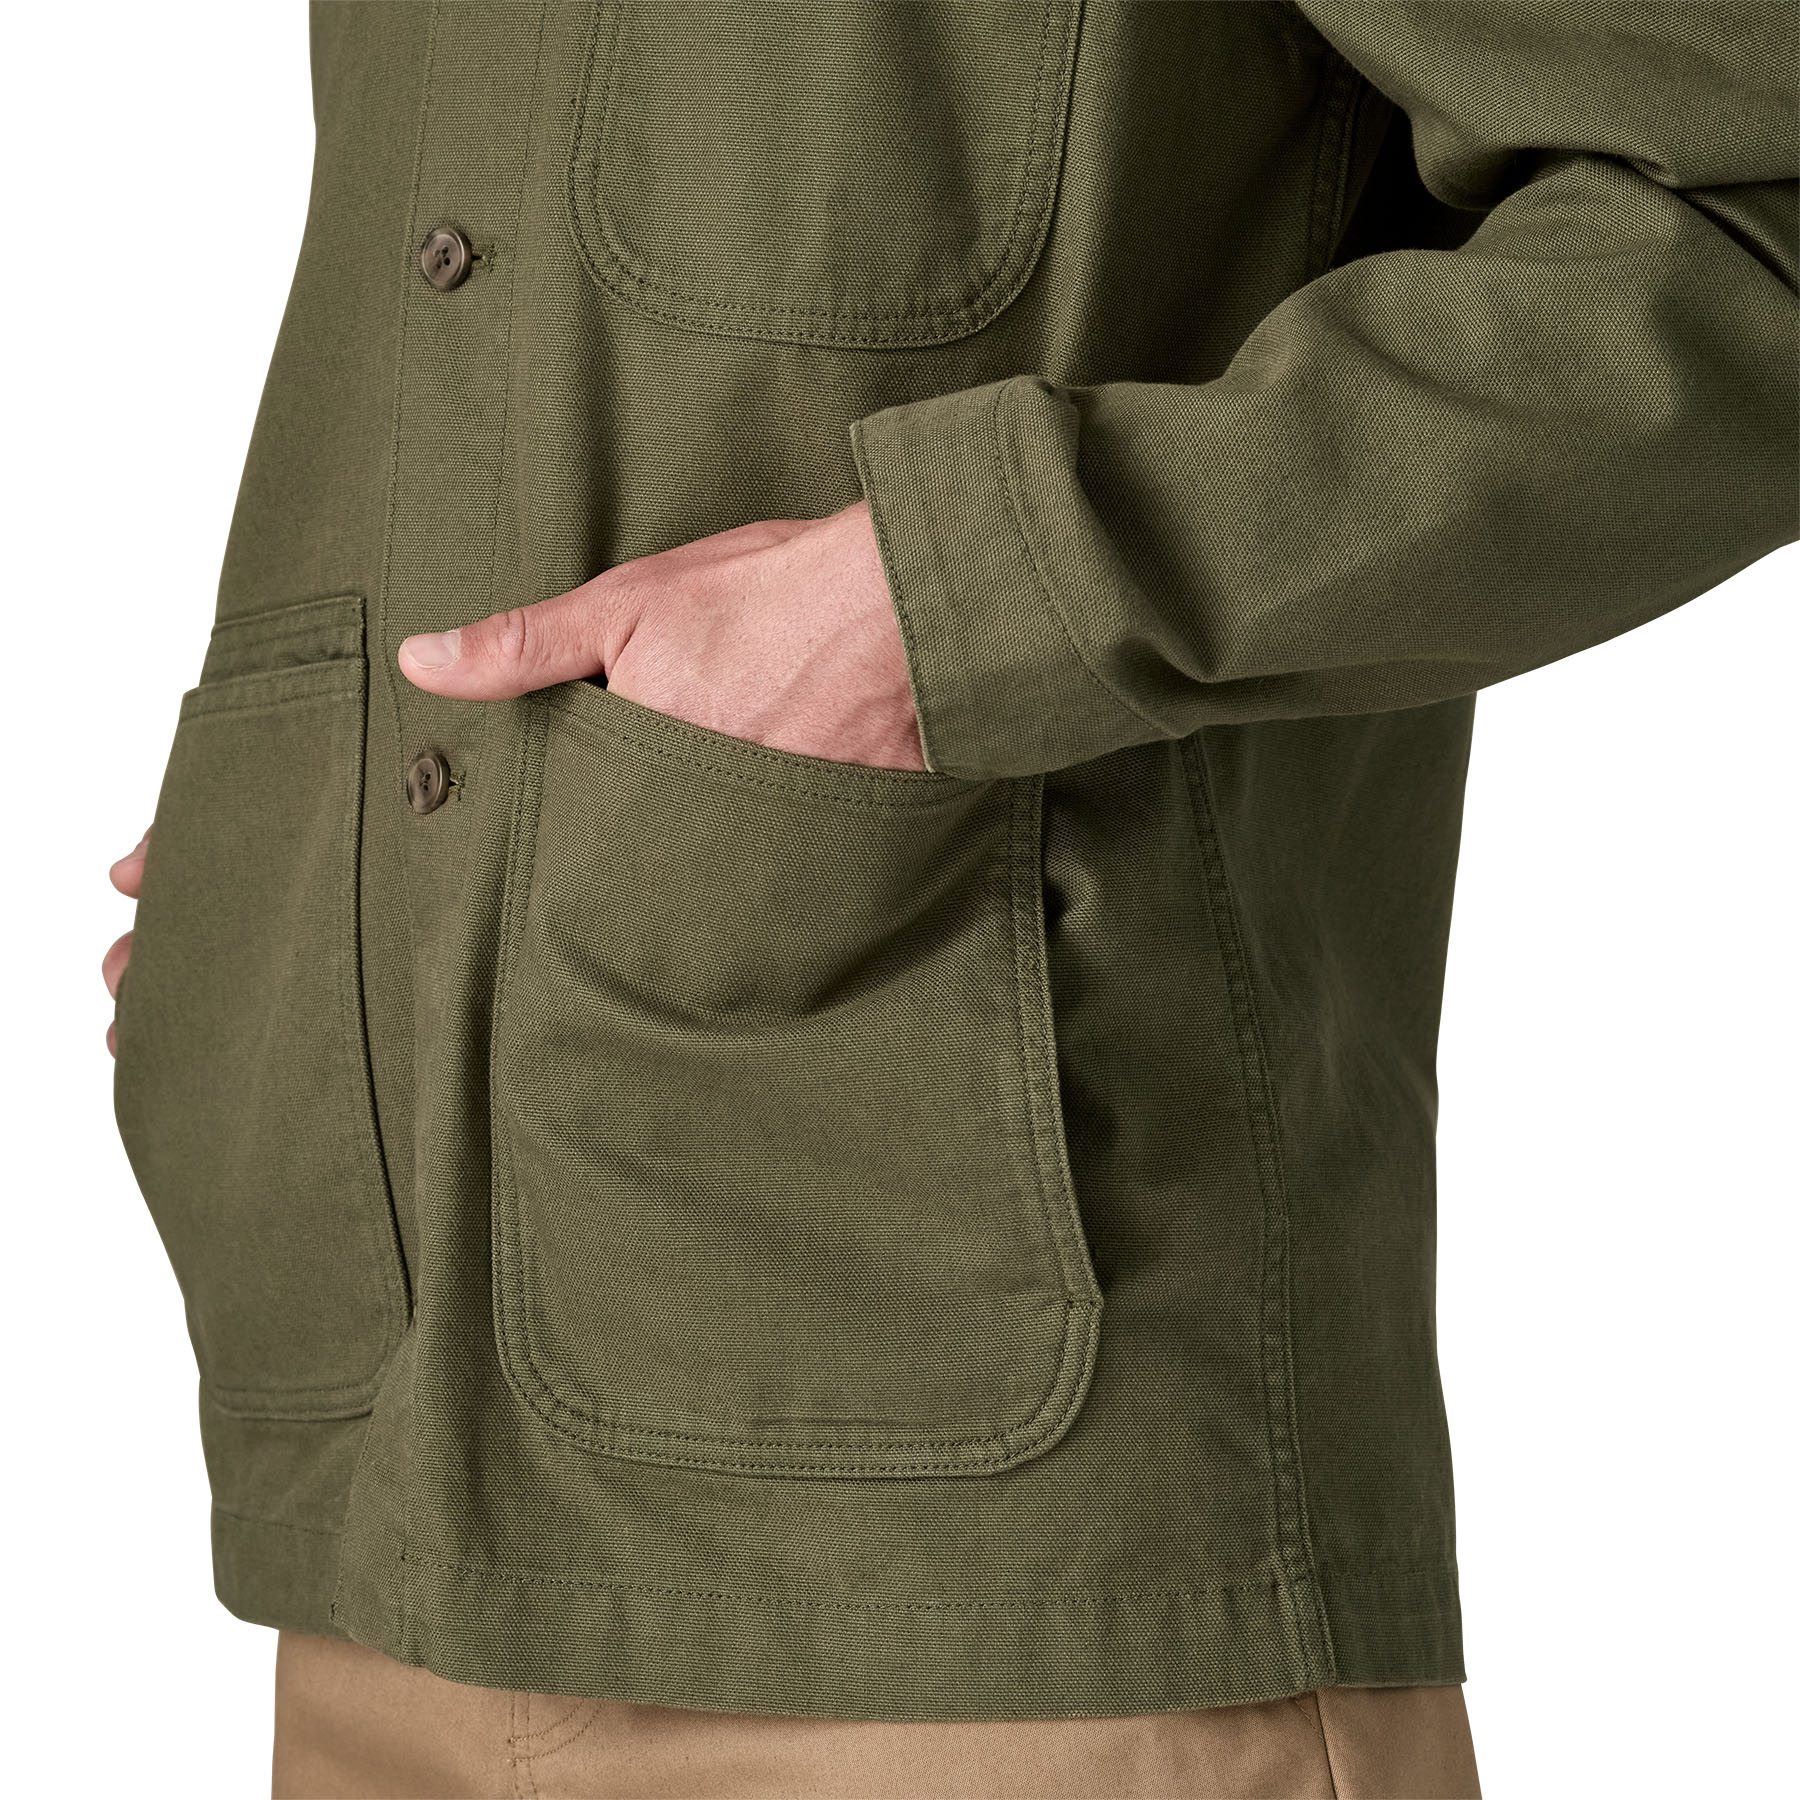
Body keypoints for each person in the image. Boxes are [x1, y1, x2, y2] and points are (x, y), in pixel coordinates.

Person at [103, 5, 1794, 1795]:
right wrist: (307, 856)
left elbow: (1752, 198)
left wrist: (967, 593)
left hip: (1005, 1547)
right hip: (375, 1496)